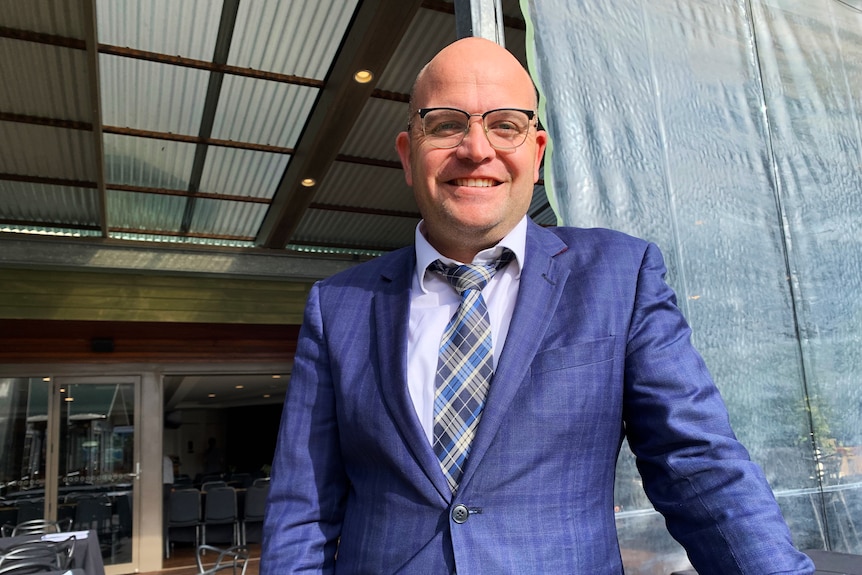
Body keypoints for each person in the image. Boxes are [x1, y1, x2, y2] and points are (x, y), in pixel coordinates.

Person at [261, 37, 814, 574]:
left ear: (537, 151)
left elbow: (700, 467)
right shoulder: (338, 306)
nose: (477, 149)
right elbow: (302, 512)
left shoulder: (620, 275)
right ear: (409, 154)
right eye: (447, 123)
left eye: (505, 125)